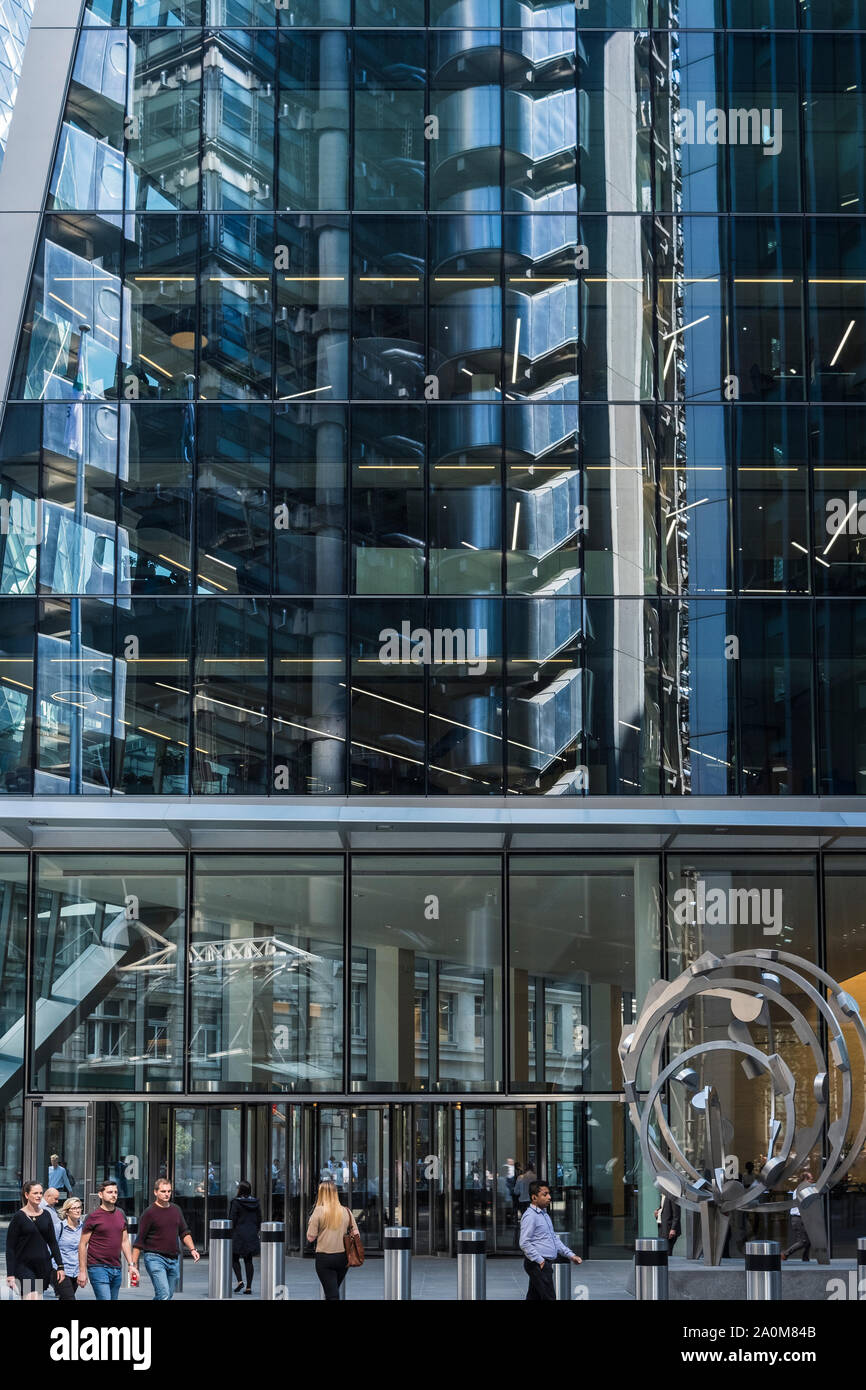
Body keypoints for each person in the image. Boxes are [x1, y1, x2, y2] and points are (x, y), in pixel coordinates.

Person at [132, 1177, 200, 1301]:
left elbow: (184, 1232)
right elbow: (139, 1240)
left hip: (174, 1259)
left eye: (169, 1191)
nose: (167, 1194)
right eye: (163, 1191)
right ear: (155, 1192)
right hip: (154, 1258)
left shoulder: (176, 1209)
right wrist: (133, 1265)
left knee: (167, 1295)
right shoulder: (149, 1213)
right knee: (163, 1294)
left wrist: (193, 1249)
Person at [5, 1181, 74, 1301]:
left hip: (42, 1266)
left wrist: (60, 1266)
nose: (38, 1196)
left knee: (38, 1296)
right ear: (27, 1195)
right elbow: (10, 1247)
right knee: (32, 1297)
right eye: (35, 1193)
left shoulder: (46, 1215)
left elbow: (52, 1242)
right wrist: (10, 1274)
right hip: (24, 1266)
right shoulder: (18, 1217)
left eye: (40, 1193)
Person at [519, 1180, 582, 1301]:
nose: (549, 1197)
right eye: (545, 1194)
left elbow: (553, 1239)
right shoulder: (530, 1216)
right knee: (549, 1297)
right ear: (534, 1197)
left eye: (549, 1194)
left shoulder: (544, 1215)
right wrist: (540, 1260)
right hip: (537, 1264)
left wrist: (571, 1255)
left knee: (534, 1297)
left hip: (543, 1264)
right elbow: (524, 1242)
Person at [78, 1178, 139, 1300]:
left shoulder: (121, 1214)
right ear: (100, 1194)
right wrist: (82, 1271)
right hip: (98, 1267)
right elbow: (82, 1244)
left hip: (116, 1268)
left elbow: (125, 1241)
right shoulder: (93, 1217)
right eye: (110, 1192)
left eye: (115, 1192)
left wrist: (131, 1265)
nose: (114, 1195)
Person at [306, 1179, 360, 1302]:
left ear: (321, 1194)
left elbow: (310, 1237)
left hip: (324, 1258)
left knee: (332, 1295)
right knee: (333, 1291)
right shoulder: (346, 1211)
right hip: (343, 1258)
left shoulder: (318, 1211)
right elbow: (356, 1233)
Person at [229, 1179, 262, 1294]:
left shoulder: (236, 1202)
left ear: (240, 1190)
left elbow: (232, 1219)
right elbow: (259, 1219)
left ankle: (239, 1281)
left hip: (238, 1235)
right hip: (251, 1235)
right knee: (249, 1260)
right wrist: (255, 1231)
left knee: (234, 1258)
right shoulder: (256, 1202)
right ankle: (249, 1287)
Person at [782, 1171, 813, 1262]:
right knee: (803, 1241)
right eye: (811, 1179)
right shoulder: (800, 1190)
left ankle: (805, 1258)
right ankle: (785, 1254)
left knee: (809, 1239)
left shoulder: (804, 1190)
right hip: (799, 1218)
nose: (812, 1181)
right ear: (805, 1180)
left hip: (802, 1218)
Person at [56, 1198, 84, 1299]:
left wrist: (83, 1271)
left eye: (79, 1207)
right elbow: (51, 1248)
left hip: (76, 1271)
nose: (78, 1210)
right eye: (74, 1208)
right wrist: (57, 1267)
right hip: (61, 1270)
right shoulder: (59, 1227)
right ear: (67, 1211)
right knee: (70, 1298)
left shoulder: (84, 1228)